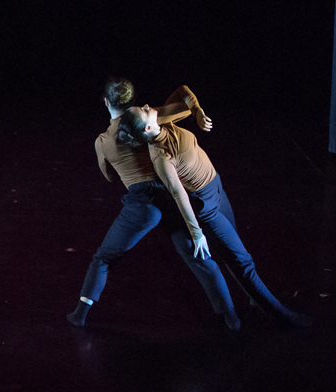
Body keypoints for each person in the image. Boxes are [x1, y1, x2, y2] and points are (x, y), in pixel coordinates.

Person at [117, 93, 312, 327]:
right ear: (148, 127)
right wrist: (197, 233)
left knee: (236, 253)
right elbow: (179, 195)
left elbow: (184, 93)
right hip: (205, 206)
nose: (149, 106)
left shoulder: (162, 120)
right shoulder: (161, 157)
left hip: (216, 187)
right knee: (242, 261)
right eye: (145, 109)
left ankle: (254, 297)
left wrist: (197, 111)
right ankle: (282, 316)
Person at [68, 80, 238, 330]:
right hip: (170, 198)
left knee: (104, 258)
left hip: (142, 205)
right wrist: (198, 111)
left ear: (106, 102)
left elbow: (108, 175)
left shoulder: (103, 140)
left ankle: (80, 314)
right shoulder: (152, 118)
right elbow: (185, 106)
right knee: (198, 256)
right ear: (130, 101)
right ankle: (230, 316)